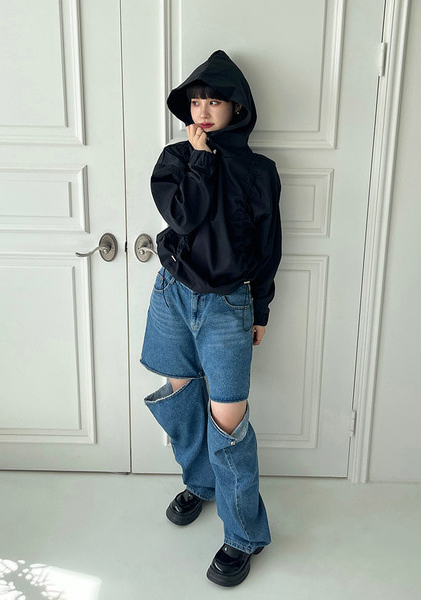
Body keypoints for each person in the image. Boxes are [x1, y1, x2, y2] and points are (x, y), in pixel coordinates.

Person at [140, 50, 282, 587]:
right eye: (196, 101)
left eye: (213, 101)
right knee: (181, 398)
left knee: (228, 422)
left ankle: (243, 535)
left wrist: (261, 306)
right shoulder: (175, 158)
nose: (202, 110)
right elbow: (182, 217)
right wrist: (199, 161)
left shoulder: (260, 171)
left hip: (228, 304)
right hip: (173, 295)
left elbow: (269, 245)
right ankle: (199, 482)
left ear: (236, 108)